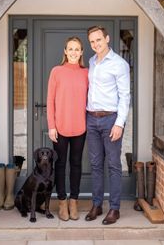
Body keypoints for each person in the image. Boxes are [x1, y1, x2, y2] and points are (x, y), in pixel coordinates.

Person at [85, 26, 130, 225]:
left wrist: (119, 124)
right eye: (92, 41)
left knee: (113, 165)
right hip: (91, 119)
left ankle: (114, 208)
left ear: (107, 39)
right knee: (95, 165)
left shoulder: (119, 64)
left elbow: (125, 96)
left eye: (99, 40)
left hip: (111, 119)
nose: (96, 44)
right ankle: (96, 204)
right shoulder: (91, 61)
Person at [47, 36, 88, 221]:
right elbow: (50, 101)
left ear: (81, 52)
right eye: (70, 49)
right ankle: (62, 202)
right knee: (61, 165)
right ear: (65, 51)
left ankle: (74, 202)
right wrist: (51, 126)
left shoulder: (87, 73)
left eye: (76, 49)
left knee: (76, 165)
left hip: (80, 127)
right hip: (60, 128)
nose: (73, 52)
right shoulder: (56, 71)